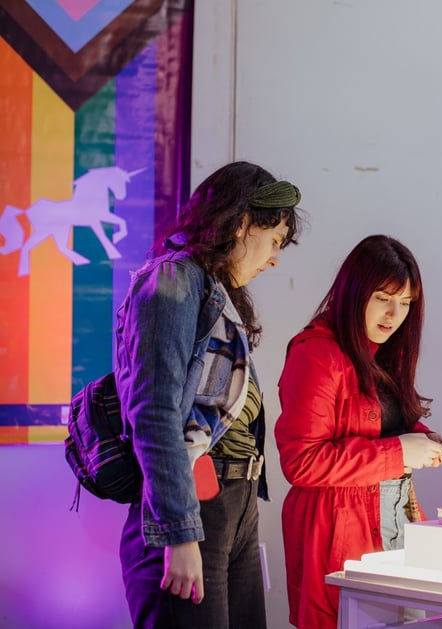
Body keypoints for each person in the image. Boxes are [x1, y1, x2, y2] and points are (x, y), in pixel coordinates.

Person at [114, 161, 304, 628]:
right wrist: (180, 535)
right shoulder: (174, 279)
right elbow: (155, 412)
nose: (275, 259)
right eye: (274, 240)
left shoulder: (210, 286)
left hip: (232, 502)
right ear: (242, 223)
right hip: (193, 506)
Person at [274, 234, 442, 628]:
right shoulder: (316, 353)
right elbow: (301, 462)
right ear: (354, 293)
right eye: (383, 298)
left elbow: (381, 423)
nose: (394, 314)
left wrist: (422, 438)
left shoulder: (384, 351)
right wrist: (400, 453)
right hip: (339, 529)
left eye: (405, 303)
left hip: (396, 517)